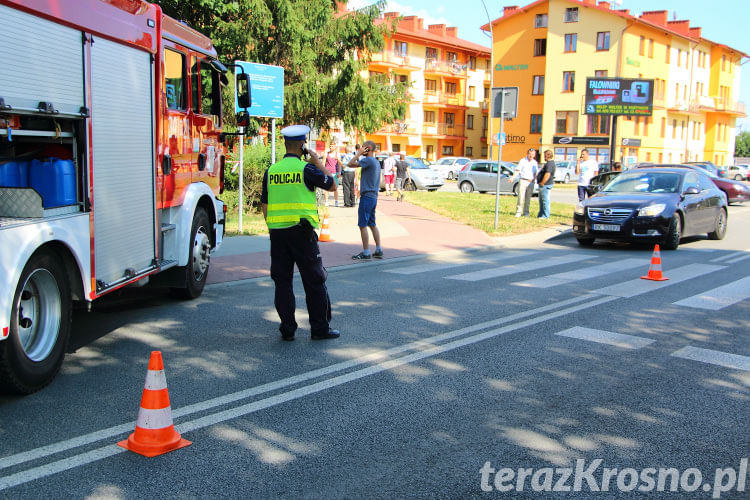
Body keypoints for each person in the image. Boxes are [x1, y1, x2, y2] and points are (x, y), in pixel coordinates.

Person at [260, 124, 339, 341]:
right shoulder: (307, 169)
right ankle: (320, 329)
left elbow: (264, 205)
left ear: (285, 144)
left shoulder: (272, 171)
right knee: (314, 281)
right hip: (302, 233)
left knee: (282, 282)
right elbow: (333, 185)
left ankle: (287, 329)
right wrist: (318, 162)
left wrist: (273, 226)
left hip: (277, 235)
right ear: (303, 145)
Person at [347, 140, 383, 260]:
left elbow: (350, 164)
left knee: (362, 224)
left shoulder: (368, 160)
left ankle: (366, 252)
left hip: (367, 197)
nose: (361, 149)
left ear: (368, 148)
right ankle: (378, 250)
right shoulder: (376, 162)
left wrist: (358, 153)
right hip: (373, 197)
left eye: (363, 147)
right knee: (372, 224)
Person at [513, 148, 538, 217]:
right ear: (527, 154)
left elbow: (535, 173)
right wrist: (513, 178)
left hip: (531, 182)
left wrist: (534, 180)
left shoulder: (535, 162)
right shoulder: (523, 161)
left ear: (534, 155)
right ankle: (518, 211)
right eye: (530, 154)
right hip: (523, 180)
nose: (531, 156)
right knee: (521, 197)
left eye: (532, 154)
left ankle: (526, 212)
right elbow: (517, 170)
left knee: (528, 198)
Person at [536, 150, 555, 219]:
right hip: (544, 184)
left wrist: (542, 182)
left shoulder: (550, 164)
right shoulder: (548, 163)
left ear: (548, 155)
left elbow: (547, 174)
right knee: (541, 200)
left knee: (545, 200)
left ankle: (545, 215)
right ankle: (541, 214)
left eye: (544, 155)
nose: (543, 157)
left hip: (545, 184)